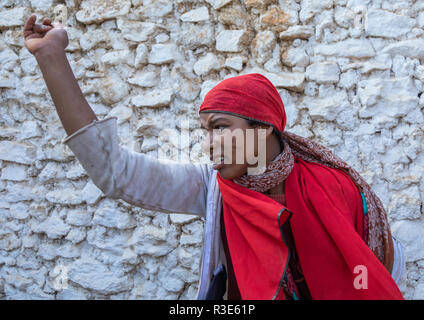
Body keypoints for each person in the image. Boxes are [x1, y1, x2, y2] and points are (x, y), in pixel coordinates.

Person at [23, 14, 405, 300]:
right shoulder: (213, 189)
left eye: (220, 127)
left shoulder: (332, 187)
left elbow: (378, 269)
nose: (209, 143)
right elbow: (115, 173)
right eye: (205, 130)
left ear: (264, 128)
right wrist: (51, 58)